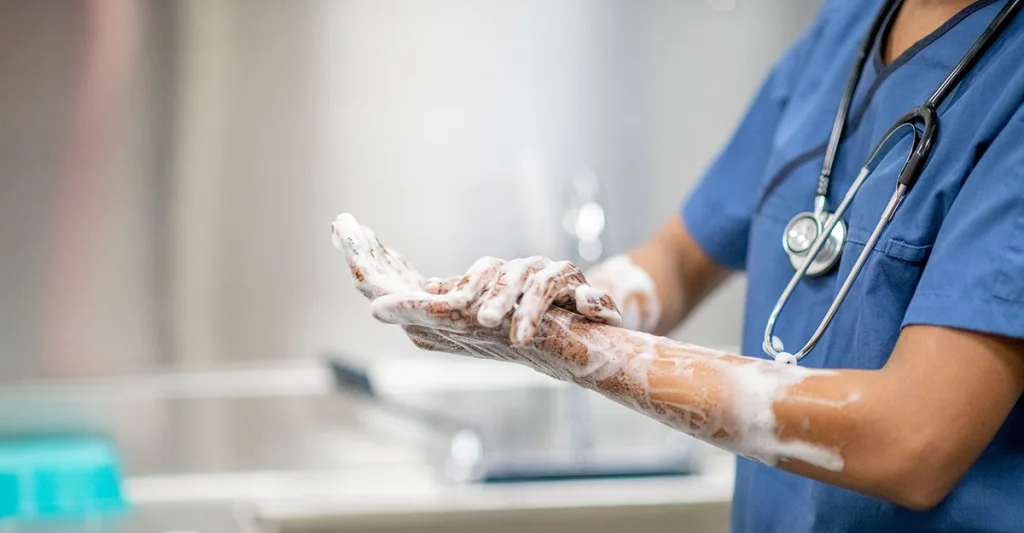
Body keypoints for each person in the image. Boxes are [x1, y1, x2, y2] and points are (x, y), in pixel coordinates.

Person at [332, 0, 1024, 531]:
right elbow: (674, 261)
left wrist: (581, 349)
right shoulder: (850, 28)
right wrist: (544, 301)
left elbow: (916, 440)